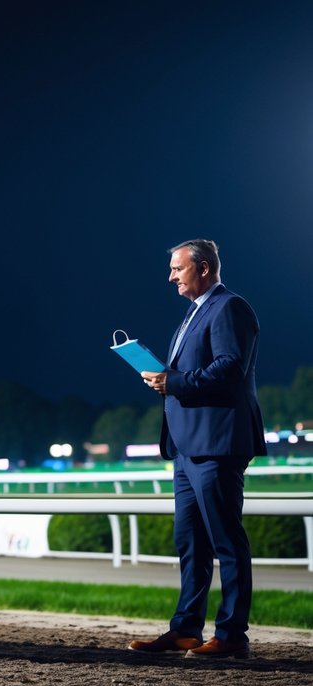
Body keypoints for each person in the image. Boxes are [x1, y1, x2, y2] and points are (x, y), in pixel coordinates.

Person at [131, 239, 265, 659]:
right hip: (188, 447)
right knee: (190, 542)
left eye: (177, 269)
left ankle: (231, 637)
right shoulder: (194, 314)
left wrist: (174, 382)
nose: (171, 276)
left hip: (218, 444)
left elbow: (229, 369)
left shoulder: (230, 307)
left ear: (203, 269)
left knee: (227, 542)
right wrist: (164, 378)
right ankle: (186, 629)